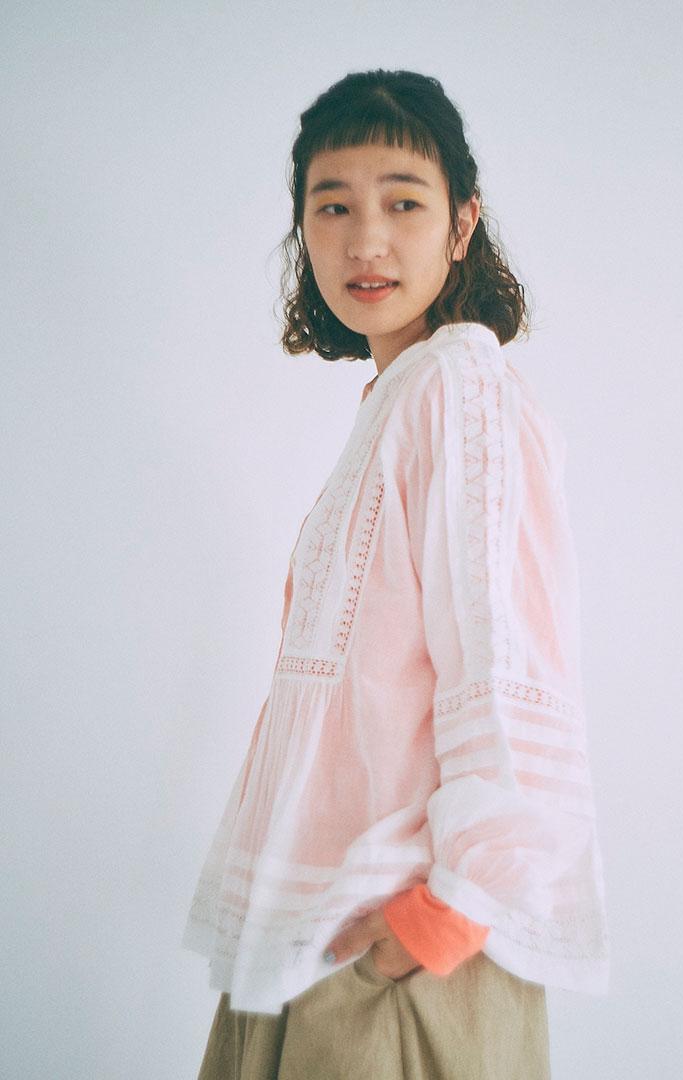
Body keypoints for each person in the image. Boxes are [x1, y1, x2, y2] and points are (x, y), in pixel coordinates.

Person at [182, 67, 610, 1080]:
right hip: (324, 939)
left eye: (403, 203)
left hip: (402, 959)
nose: (365, 239)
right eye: (332, 205)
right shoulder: (404, 399)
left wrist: (440, 920)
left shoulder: (460, 392)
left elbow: (509, 667)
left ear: (463, 225)